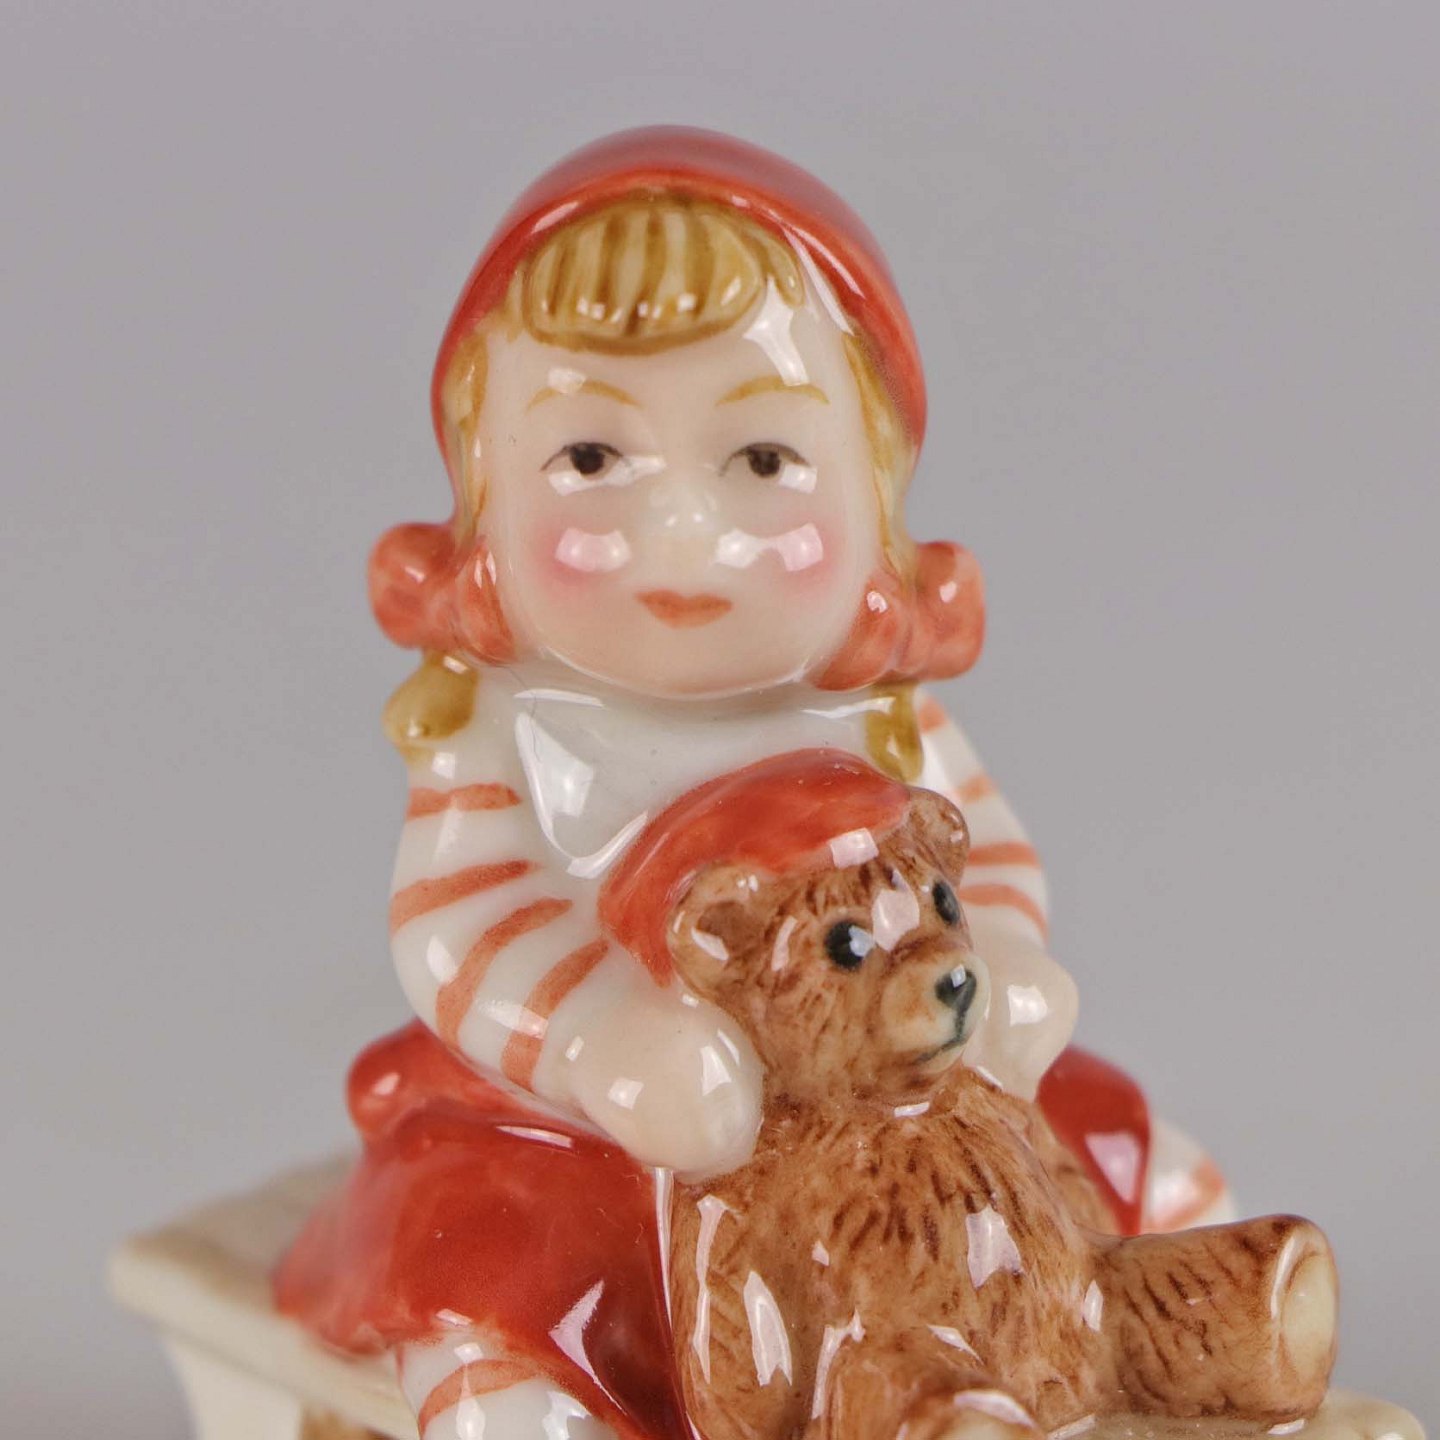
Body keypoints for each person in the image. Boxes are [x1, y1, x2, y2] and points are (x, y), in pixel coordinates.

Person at [279, 128, 1227, 1440]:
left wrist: (1003, 959)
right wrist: (600, 1042)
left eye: (764, 461)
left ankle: (1169, 1334)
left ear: (876, 503)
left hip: (902, 1107)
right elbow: (459, 927)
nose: (682, 533)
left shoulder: (880, 713)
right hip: (603, 1150)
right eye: (592, 460)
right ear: (482, 507)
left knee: (1121, 1155)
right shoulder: (505, 732)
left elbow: (988, 856)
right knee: (504, 1282)